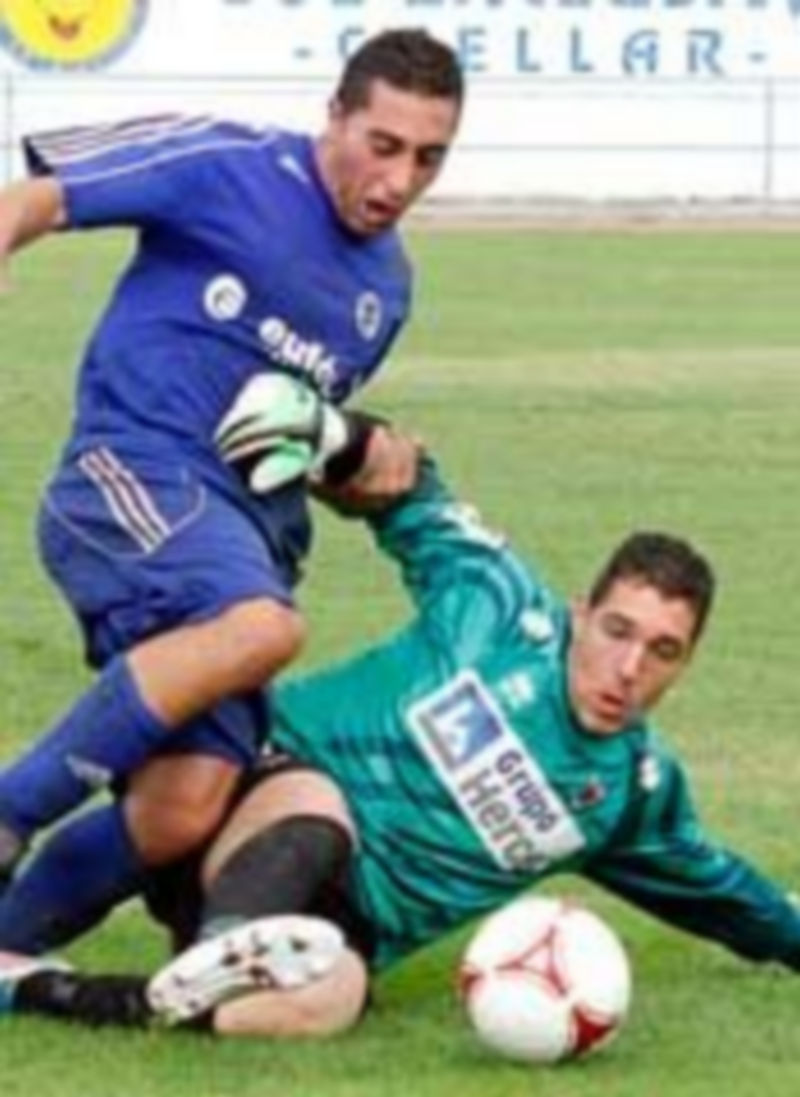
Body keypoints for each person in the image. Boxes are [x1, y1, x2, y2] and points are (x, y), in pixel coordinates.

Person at [2, 454, 799, 1035]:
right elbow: (410, 493)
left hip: (333, 923)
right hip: (255, 789)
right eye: (618, 630)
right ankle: (218, 947)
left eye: (662, 651)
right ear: (580, 610)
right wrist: (334, 433)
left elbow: (729, 896)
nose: (628, 668)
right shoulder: (497, 603)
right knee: (314, 815)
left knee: (326, 1001)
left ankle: (46, 993)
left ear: (685, 664)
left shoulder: (634, 794)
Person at [0, 28, 464, 937]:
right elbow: (40, 198)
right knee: (262, 626)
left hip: (242, 537)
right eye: (384, 145)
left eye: (429, 158)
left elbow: (289, 444)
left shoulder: (388, 289)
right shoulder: (226, 163)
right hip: (126, 474)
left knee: (182, 805)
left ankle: (9, 942)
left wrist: (361, 460)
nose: (400, 179)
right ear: (334, 116)